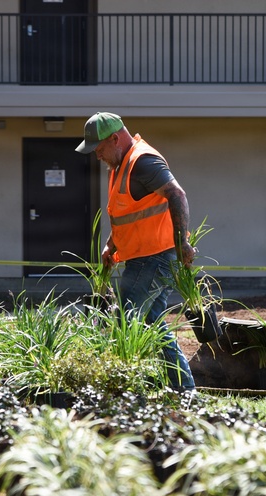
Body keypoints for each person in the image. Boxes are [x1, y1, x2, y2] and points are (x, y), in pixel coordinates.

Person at [75, 112, 196, 390]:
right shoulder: (121, 165)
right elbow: (129, 213)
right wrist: (111, 245)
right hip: (145, 257)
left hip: (155, 258)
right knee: (151, 322)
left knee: (124, 321)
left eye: (99, 149)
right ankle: (184, 391)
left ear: (115, 139)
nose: (97, 156)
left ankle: (120, 388)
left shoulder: (142, 161)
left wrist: (182, 243)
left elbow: (177, 195)